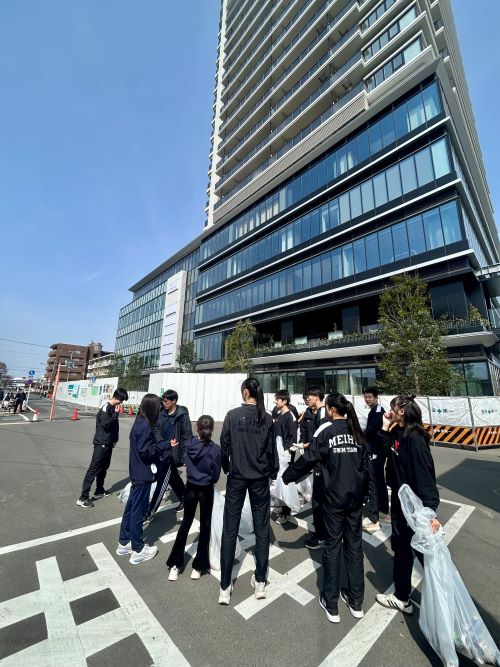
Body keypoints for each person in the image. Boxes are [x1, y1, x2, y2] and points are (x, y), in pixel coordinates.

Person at [283, 393, 368, 623]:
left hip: (334, 499)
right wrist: (365, 495)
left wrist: (288, 476)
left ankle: (331, 603)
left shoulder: (327, 432)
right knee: (354, 547)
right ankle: (356, 601)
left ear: (331, 409)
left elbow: (309, 458)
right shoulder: (357, 433)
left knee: (332, 547)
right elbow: (366, 467)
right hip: (354, 500)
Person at [375, 394, 441, 614]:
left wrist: (431, 512)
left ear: (401, 411)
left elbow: (425, 475)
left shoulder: (415, 438)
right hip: (401, 500)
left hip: (415, 504)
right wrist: (385, 428)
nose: (389, 410)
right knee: (402, 547)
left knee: (422, 552)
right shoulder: (397, 432)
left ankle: (443, 598)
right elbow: (384, 451)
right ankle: (402, 596)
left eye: (392, 407)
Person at [218, 377, 278, 605]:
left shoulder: (233, 415)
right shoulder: (267, 417)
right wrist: (273, 471)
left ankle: (225, 586)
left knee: (230, 528)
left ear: (245, 392)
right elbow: (271, 450)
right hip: (260, 477)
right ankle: (260, 580)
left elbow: (224, 445)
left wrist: (226, 467)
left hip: (237, 476)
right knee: (262, 528)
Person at [117, 394, 175, 564]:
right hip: (143, 474)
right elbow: (146, 451)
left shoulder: (139, 422)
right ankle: (138, 549)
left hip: (136, 471)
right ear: (152, 408)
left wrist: (164, 444)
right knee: (138, 511)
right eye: (158, 407)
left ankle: (124, 542)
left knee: (131, 508)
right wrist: (163, 447)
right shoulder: (145, 426)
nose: (160, 410)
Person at [167, 415, 221, 581]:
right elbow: (216, 475)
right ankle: (198, 566)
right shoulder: (215, 449)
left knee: (186, 523)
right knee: (205, 525)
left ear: (197, 427)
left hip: (190, 486)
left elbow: (184, 460)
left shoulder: (190, 444)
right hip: (206, 488)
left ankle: (175, 564)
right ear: (212, 429)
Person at [77, 387, 128, 509]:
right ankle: (83, 498)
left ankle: (99, 490)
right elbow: (106, 425)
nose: (122, 402)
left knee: (104, 468)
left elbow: (114, 427)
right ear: (117, 397)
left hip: (108, 443)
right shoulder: (107, 408)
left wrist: (115, 440)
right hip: (101, 444)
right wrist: (115, 414)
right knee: (93, 469)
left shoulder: (113, 408)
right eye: (122, 400)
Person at [145, 389, 192, 521]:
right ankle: (185, 498)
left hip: (173, 454)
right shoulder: (162, 414)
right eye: (163, 401)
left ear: (174, 401)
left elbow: (187, 436)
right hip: (162, 451)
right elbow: (157, 430)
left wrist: (185, 456)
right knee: (173, 478)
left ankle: (150, 512)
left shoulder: (182, 415)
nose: (163, 404)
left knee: (161, 483)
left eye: (166, 401)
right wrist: (162, 444)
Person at [301, 387, 327, 550]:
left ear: (317, 397)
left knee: (319, 499)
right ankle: (321, 528)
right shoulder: (308, 412)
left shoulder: (325, 413)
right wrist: (304, 444)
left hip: (321, 461)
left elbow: (322, 439)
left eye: (309, 397)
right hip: (313, 457)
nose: (306, 399)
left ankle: (322, 535)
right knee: (318, 498)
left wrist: (308, 446)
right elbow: (304, 430)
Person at [361, 386, 390, 534]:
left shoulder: (378, 411)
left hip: (375, 451)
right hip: (376, 450)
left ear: (376, 398)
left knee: (374, 483)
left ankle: (373, 518)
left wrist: (359, 436)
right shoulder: (374, 410)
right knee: (378, 481)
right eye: (365, 397)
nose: (367, 399)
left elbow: (371, 430)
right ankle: (384, 511)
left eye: (370, 397)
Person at [271, 390, 297, 525]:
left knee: (285, 483)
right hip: (278, 453)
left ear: (284, 401)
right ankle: (280, 506)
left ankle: (286, 511)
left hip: (284, 454)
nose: (275, 401)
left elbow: (293, 436)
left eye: (277, 399)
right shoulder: (280, 414)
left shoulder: (289, 416)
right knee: (277, 481)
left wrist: (287, 450)